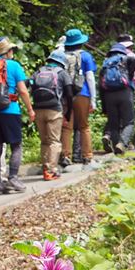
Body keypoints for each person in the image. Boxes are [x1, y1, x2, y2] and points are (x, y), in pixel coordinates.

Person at [0, 37, 35, 194]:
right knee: (16, 146)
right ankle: (13, 177)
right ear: (7, 52)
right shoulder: (14, 65)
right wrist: (30, 109)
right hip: (10, 110)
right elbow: (23, 90)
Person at [29, 50, 73, 180]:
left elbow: (28, 84)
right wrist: (68, 113)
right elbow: (69, 94)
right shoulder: (62, 73)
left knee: (44, 141)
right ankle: (51, 170)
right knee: (54, 141)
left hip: (38, 109)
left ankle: (45, 168)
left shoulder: (38, 72)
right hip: (54, 109)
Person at [61, 28, 97, 166]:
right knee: (84, 126)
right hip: (83, 93)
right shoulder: (85, 56)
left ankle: (65, 155)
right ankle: (87, 156)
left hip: (66, 94)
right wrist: (93, 99)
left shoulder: (61, 56)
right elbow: (90, 77)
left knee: (67, 127)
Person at [98, 43, 135, 155]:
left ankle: (116, 148)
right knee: (129, 122)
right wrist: (130, 74)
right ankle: (122, 143)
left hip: (109, 95)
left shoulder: (106, 63)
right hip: (125, 92)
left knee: (113, 124)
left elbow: (100, 85)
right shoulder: (125, 59)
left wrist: (104, 106)